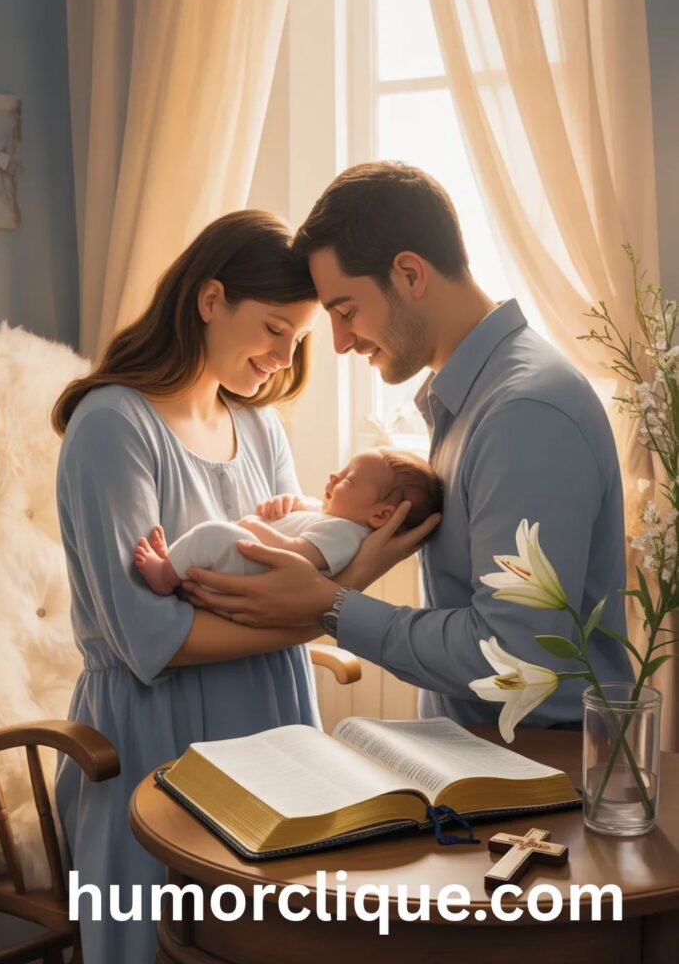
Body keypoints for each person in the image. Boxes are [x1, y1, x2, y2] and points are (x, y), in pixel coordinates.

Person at [52, 208, 436, 964]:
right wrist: (338, 605)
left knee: (278, 943)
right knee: (161, 944)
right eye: (273, 331)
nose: (282, 358)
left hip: (273, 715)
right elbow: (152, 641)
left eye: (294, 341)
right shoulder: (114, 426)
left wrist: (333, 593)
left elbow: (304, 568)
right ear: (209, 299)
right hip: (157, 735)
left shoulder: (257, 427)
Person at [180, 163, 634, 731]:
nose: (340, 342)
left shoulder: (523, 412)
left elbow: (514, 658)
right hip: (481, 760)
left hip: (541, 774)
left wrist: (332, 605)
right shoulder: (469, 401)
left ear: (410, 274)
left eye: (345, 311)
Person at [135, 447, 444, 591]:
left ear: (379, 515)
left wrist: (256, 526)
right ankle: (173, 562)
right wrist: (285, 504)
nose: (335, 475)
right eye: (343, 467)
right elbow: (300, 514)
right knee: (211, 536)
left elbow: (298, 554)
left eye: (348, 480)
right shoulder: (330, 515)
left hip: (256, 571)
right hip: (247, 563)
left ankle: (165, 577)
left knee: (212, 534)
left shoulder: (347, 535)